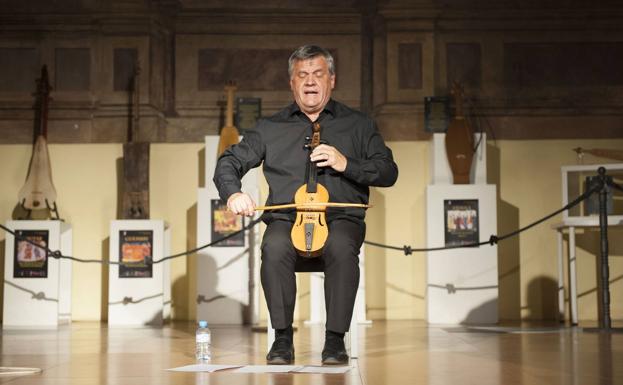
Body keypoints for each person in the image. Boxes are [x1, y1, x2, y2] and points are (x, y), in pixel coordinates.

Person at [214, 45, 398, 365]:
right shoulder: (270, 128)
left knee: (340, 245)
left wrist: (347, 163)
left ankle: (335, 340)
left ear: (332, 80)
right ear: (291, 82)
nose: (310, 82)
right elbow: (229, 162)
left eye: (317, 74)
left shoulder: (359, 125)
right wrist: (233, 193)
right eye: (302, 75)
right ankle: (282, 339)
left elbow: (387, 171)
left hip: (341, 216)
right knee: (274, 247)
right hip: (287, 217)